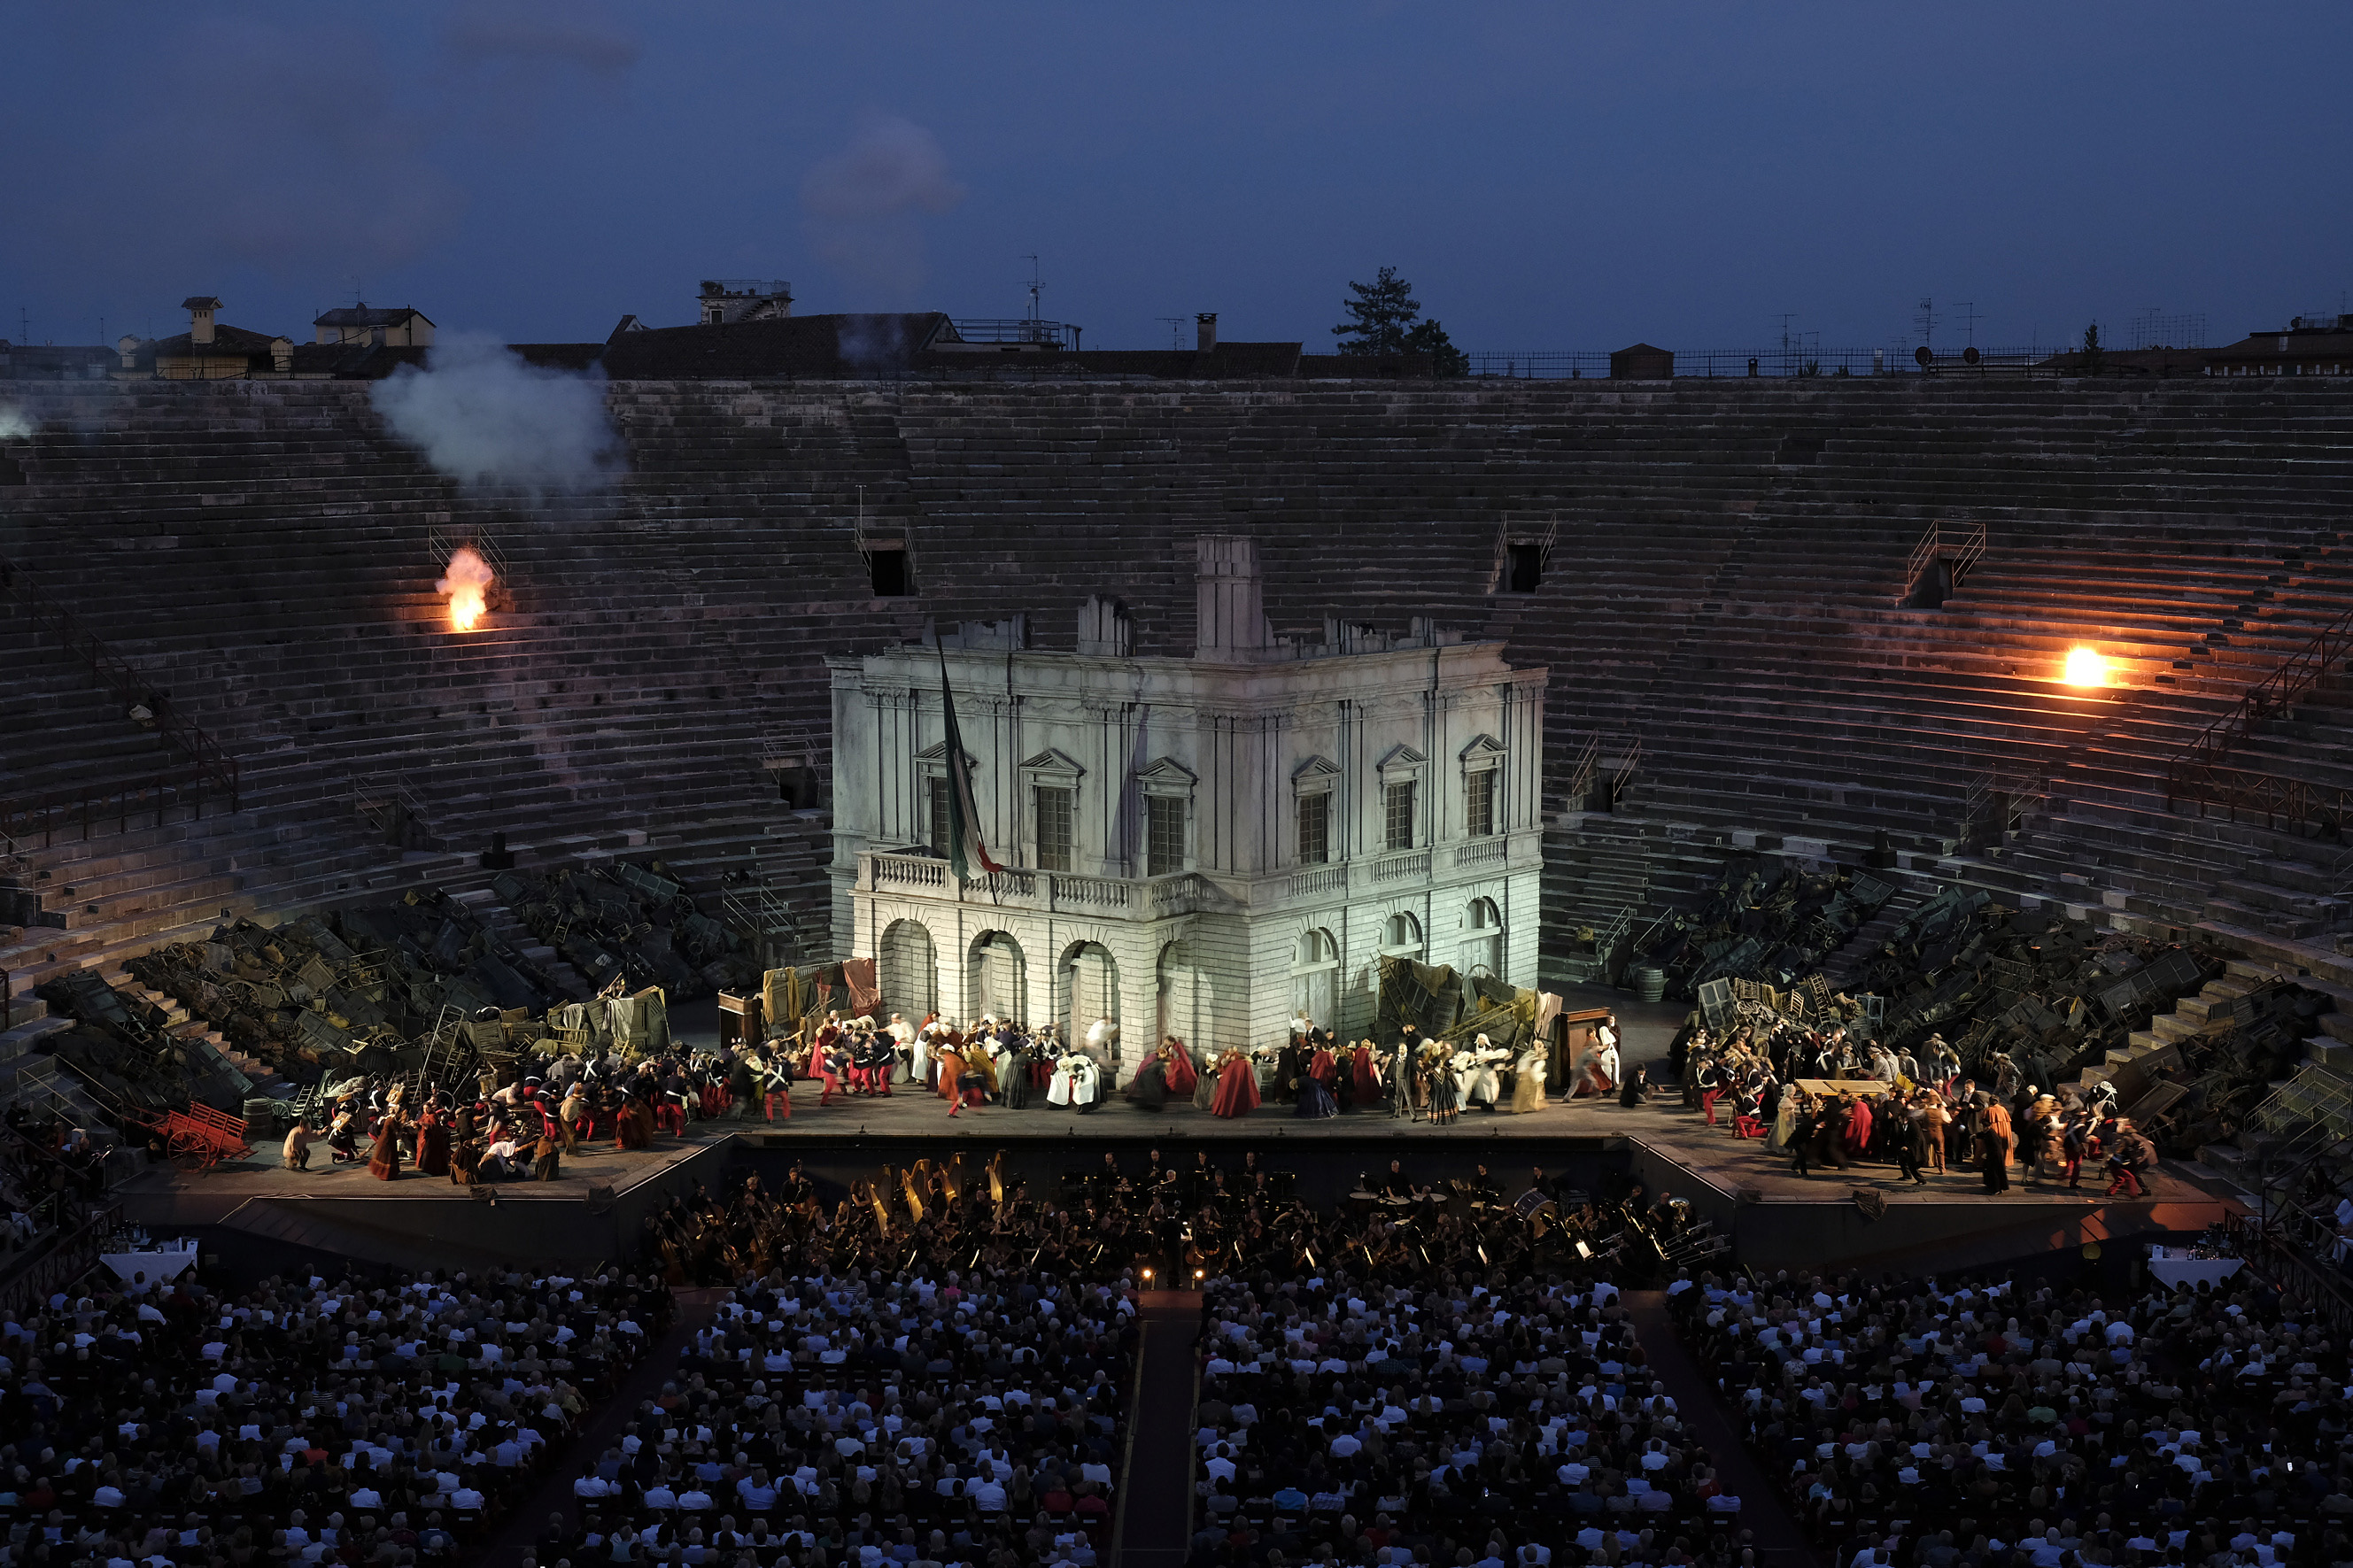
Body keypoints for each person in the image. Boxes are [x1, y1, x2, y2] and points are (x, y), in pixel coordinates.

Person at [2105, 1118, 2156, 1197]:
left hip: (2144, 1161)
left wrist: (2139, 1160)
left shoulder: (2135, 1140)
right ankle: (2128, 1188)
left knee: (2135, 1175)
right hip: (2138, 1160)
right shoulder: (2133, 1140)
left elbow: (2146, 1152)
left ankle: (2145, 1190)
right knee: (2130, 1174)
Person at [1210, 1047, 1260, 1119]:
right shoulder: (1240, 1063)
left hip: (1226, 1079)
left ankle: (1223, 1110)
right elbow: (1222, 1064)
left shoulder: (1237, 1063)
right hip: (1227, 1078)